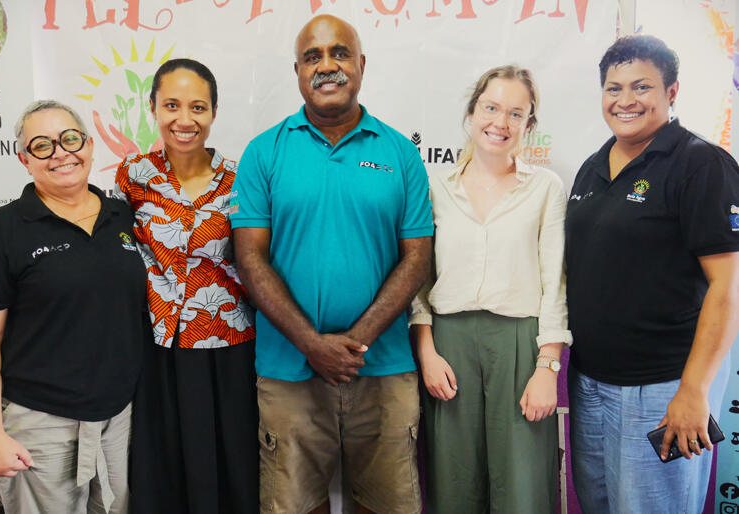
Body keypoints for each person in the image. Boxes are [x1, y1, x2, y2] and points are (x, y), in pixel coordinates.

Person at [230, 14, 433, 514]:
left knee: (387, 504)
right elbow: (249, 257)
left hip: (383, 367)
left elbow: (417, 259)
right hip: (288, 370)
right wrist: (312, 345)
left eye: (339, 53)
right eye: (313, 56)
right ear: (297, 70)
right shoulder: (263, 153)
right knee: (293, 506)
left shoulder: (400, 153)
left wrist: (354, 343)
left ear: (361, 64)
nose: (327, 66)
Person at [566, 34, 739, 514]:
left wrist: (694, 391)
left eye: (641, 87)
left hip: (662, 389)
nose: (625, 101)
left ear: (672, 92)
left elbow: (729, 286)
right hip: (590, 383)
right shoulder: (592, 167)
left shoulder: (701, 164)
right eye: (613, 88)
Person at [0, 100, 148, 513]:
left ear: (88, 144)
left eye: (69, 139)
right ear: (24, 159)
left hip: (118, 417)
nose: (61, 153)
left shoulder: (124, 217)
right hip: (41, 424)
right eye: (42, 145)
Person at [410, 65, 571, 513]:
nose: (500, 123)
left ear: (529, 124)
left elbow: (554, 284)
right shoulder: (434, 187)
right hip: (449, 346)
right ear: (472, 111)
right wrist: (426, 353)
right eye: (491, 108)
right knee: (453, 482)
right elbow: (419, 284)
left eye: (515, 113)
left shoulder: (545, 188)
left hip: (520, 345)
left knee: (522, 486)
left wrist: (548, 368)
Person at [113, 58, 258, 513]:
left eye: (198, 107)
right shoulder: (133, 176)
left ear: (214, 113)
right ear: (153, 106)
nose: (184, 119)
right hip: (159, 342)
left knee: (233, 457)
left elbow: (258, 258)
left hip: (229, 340)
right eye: (171, 105)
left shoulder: (242, 177)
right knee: (164, 462)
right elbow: (119, 254)